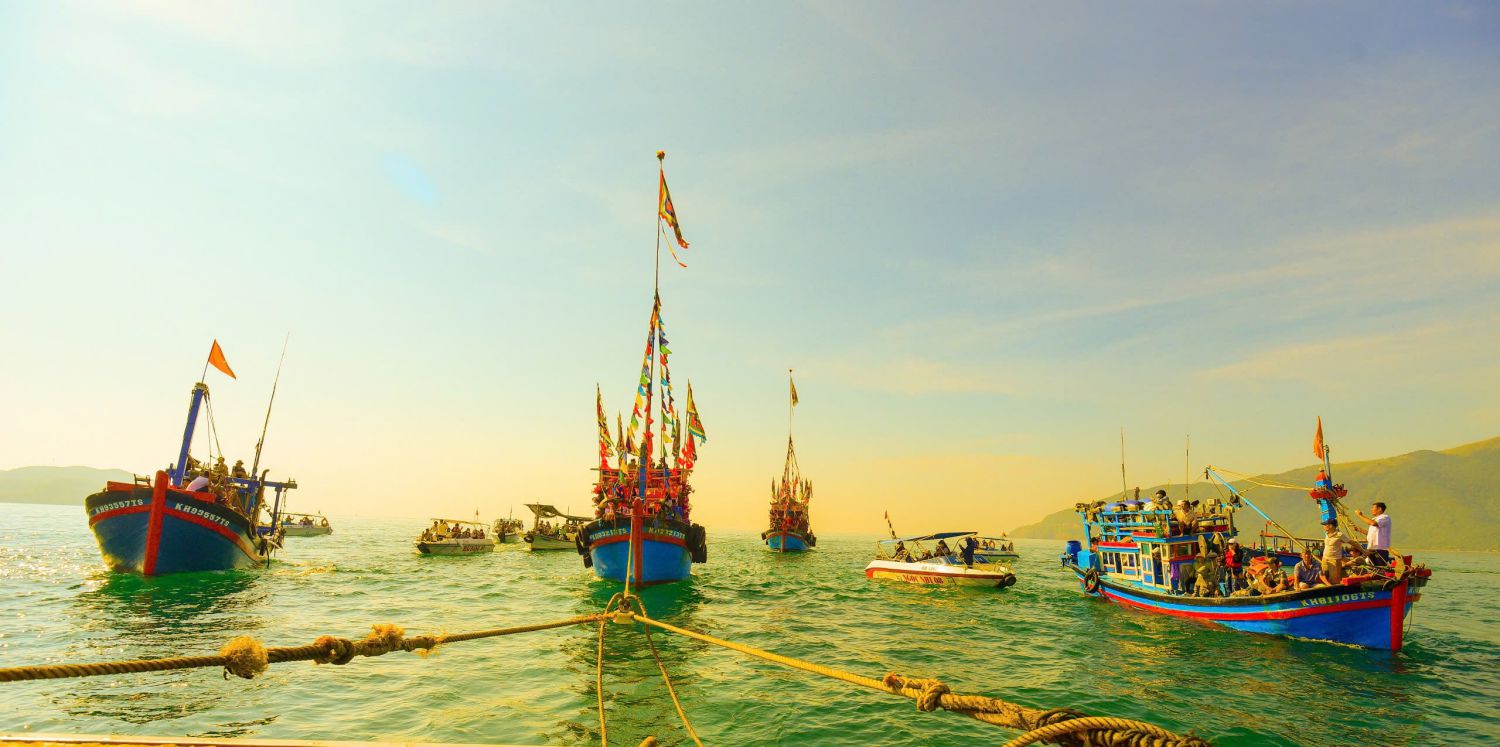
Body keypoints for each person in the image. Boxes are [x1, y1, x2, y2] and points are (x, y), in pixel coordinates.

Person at [1320, 519, 1360, 584]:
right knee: (1324, 575)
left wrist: (1364, 551)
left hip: (1334, 560)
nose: (1323, 526)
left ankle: (1335, 591)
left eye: (1325, 525)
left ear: (1331, 526)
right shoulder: (1327, 533)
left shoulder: (1340, 535)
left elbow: (1352, 542)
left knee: (1334, 579)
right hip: (1325, 559)